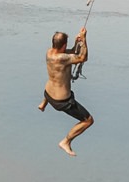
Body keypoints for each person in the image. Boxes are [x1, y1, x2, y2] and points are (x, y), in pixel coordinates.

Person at [37, 27, 93, 156]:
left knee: (53, 81)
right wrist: (84, 40)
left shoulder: (49, 52)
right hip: (61, 101)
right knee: (88, 120)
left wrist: (76, 44)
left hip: (48, 94)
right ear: (63, 45)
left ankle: (43, 103)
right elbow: (82, 57)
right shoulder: (62, 58)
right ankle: (66, 142)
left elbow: (70, 54)